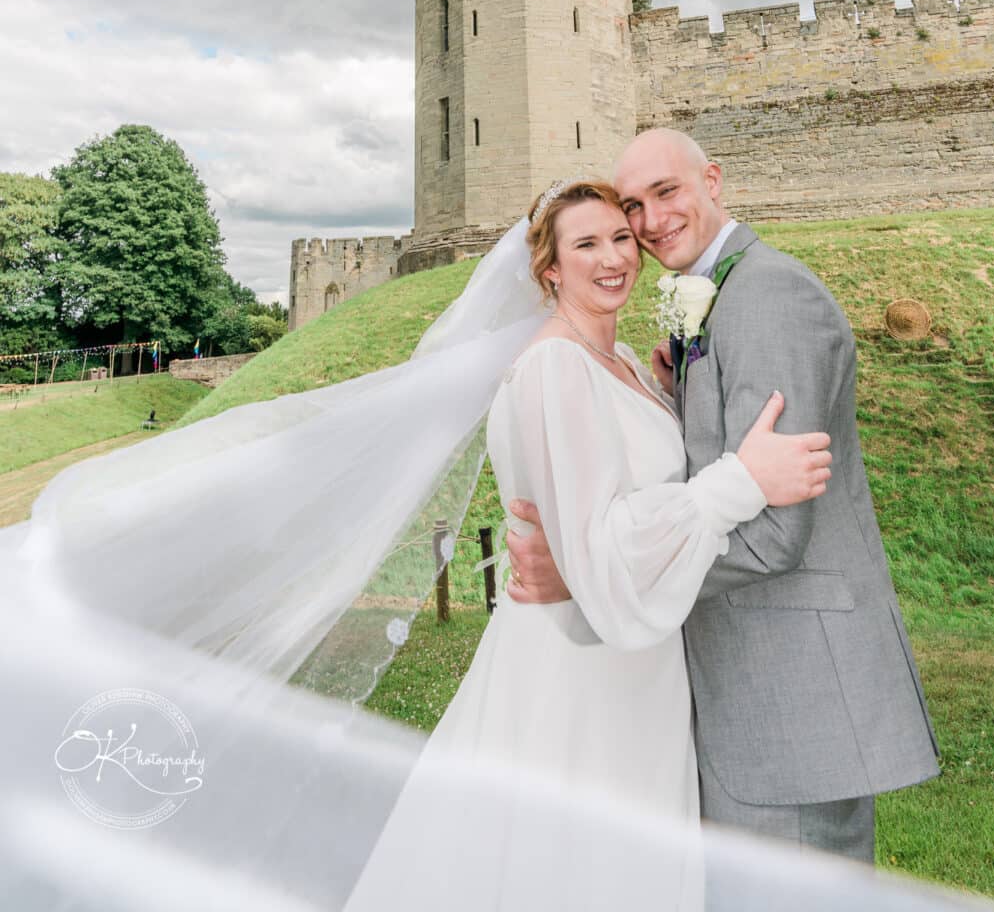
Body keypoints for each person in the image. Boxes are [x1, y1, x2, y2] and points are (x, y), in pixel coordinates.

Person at [345, 178, 832, 906]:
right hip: (578, 664)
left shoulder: (626, 363)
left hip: (639, 663)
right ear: (549, 269)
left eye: (620, 239)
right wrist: (743, 480)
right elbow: (601, 548)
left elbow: (621, 500)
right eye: (586, 245)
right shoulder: (552, 368)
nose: (613, 259)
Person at [507, 130, 940, 865]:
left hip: (787, 687)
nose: (646, 225)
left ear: (712, 180)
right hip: (735, 684)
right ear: (549, 269)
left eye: (664, 195)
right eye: (632, 207)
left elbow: (776, 534)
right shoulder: (703, 301)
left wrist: (595, 580)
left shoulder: (769, 295)